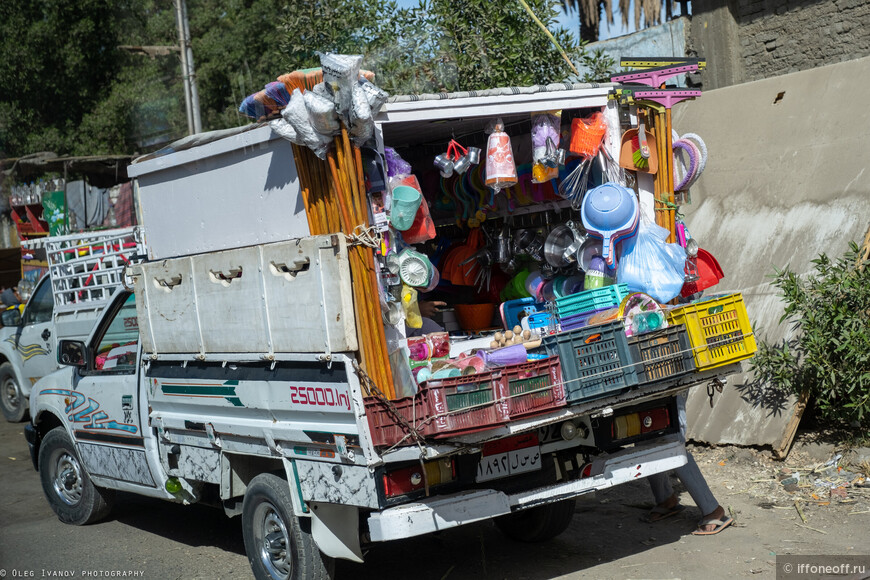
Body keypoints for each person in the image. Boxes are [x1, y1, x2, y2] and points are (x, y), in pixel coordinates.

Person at [644, 390, 734, 535]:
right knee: (645, 439)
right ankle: (666, 499)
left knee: (672, 441)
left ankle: (712, 509)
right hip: (640, 382)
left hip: (669, 379)